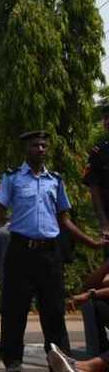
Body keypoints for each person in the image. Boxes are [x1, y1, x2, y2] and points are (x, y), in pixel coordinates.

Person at [0, 130, 103, 372]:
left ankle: (58, 361)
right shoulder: (12, 178)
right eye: (36, 145)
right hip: (20, 250)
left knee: (54, 309)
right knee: (15, 307)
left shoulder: (55, 181)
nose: (41, 149)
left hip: (49, 253)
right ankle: (13, 360)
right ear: (26, 149)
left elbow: (64, 220)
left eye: (45, 145)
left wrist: (91, 242)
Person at [83, 99, 109, 261]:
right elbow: (94, 188)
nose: (107, 121)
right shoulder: (98, 151)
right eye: (106, 118)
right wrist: (104, 222)